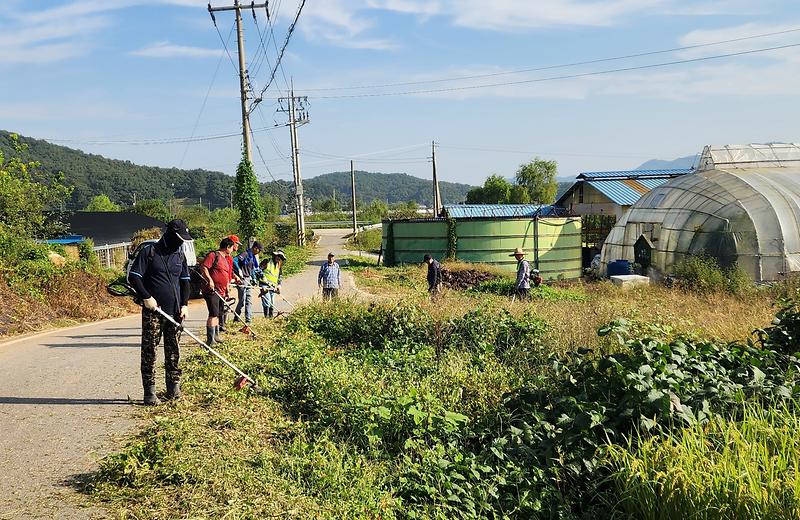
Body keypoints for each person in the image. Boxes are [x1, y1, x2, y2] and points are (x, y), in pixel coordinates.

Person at [128, 219, 192, 406]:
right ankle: (150, 392)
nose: (181, 242)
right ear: (170, 234)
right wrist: (147, 297)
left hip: (175, 313)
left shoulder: (180, 255)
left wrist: (185, 304)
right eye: (180, 238)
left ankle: (173, 387)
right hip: (154, 312)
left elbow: (185, 281)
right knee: (150, 352)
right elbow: (135, 277)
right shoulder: (150, 252)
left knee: (174, 351)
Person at [200, 237, 240, 345]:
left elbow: (226, 275)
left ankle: (216, 336)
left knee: (218, 314)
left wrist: (227, 289)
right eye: (232, 248)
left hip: (221, 291)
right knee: (213, 314)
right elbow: (204, 267)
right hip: (212, 291)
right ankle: (210, 339)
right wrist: (210, 280)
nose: (232, 250)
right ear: (227, 247)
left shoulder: (226, 259)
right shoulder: (213, 255)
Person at [233, 240, 262, 323]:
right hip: (242, 279)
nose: (259, 252)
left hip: (248, 279)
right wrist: (239, 270)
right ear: (255, 248)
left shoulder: (252, 256)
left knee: (249, 300)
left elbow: (252, 268)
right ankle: (236, 317)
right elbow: (234, 260)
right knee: (242, 300)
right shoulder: (245, 254)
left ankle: (248, 319)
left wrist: (254, 278)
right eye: (259, 250)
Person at [218, 235, 241, 332]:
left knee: (225, 302)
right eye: (236, 244)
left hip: (227, 282)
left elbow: (229, 270)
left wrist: (234, 276)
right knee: (220, 304)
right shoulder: (222, 256)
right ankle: (220, 325)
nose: (237, 246)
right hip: (221, 284)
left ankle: (223, 323)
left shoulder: (230, 257)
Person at [256, 250, 286, 317]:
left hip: (273, 286)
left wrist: (279, 285)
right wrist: (262, 277)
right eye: (278, 257)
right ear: (274, 256)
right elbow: (258, 270)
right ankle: (266, 317)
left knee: (272, 302)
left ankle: (270, 316)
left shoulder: (279, 265)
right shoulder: (266, 261)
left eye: (281, 258)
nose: (279, 259)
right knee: (267, 301)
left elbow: (279, 276)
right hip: (264, 285)